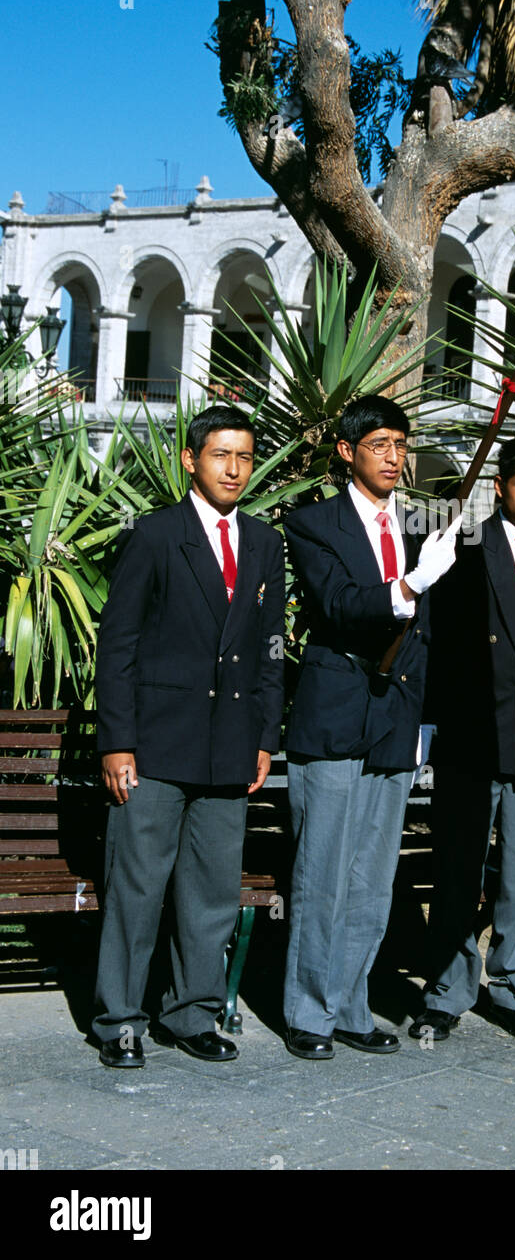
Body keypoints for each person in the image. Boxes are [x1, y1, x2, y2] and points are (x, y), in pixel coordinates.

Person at [92, 406, 285, 1067]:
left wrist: (263, 736)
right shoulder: (153, 536)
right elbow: (116, 644)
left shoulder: (263, 542)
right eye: (220, 455)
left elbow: (269, 649)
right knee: (137, 889)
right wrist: (117, 743)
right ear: (189, 459)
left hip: (229, 749)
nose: (234, 468)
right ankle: (119, 1019)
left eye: (244, 457)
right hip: (154, 748)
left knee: (209, 893)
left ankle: (192, 1013)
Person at [282, 394, 460, 1060]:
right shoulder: (313, 524)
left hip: (396, 722)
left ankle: (351, 1004)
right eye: (380, 443)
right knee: (321, 873)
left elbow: (430, 638)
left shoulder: (420, 526)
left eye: (400, 444)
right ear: (346, 452)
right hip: (333, 719)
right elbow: (336, 605)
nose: (393, 456)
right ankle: (308, 1012)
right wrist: (410, 585)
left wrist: (423, 722)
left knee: (370, 879)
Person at [410, 431, 515, 1044]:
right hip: (471, 740)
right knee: (458, 870)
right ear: (501, 485)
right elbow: (435, 644)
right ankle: (448, 988)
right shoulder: (463, 549)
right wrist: (428, 726)